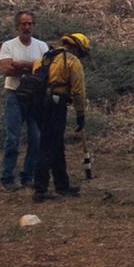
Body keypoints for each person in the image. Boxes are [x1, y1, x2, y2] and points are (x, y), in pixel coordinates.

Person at [26, 32, 91, 202]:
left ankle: (62, 184)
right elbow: (78, 91)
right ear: (77, 48)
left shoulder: (44, 58)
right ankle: (40, 189)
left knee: (56, 144)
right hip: (55, 105)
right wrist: (80, 114)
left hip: (38, 105)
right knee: (48, 146)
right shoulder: (71, 61)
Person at [0, 11, 49, 190]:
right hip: (14, 95)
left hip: (35, 98)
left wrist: (21, 65)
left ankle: (28, 176)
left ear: (34, 26)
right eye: (24, 24)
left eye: (30, 24)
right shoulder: (8, 45)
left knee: (36, 138)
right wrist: (33, 66)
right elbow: (7, 70)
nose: (27, 27)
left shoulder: (42, 47)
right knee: (13, 138)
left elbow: (46, 72)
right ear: (17, 26)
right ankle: (7, 177)